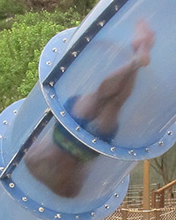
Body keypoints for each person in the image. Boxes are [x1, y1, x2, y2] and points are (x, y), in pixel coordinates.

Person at [24, 19, 155, 198]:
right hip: (66, 136)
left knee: (112, 102)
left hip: (82, 149)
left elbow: (78, 182)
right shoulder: (32, 165)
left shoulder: (49, 179)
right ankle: (135, 60)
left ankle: (136, 60)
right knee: (102, 98)